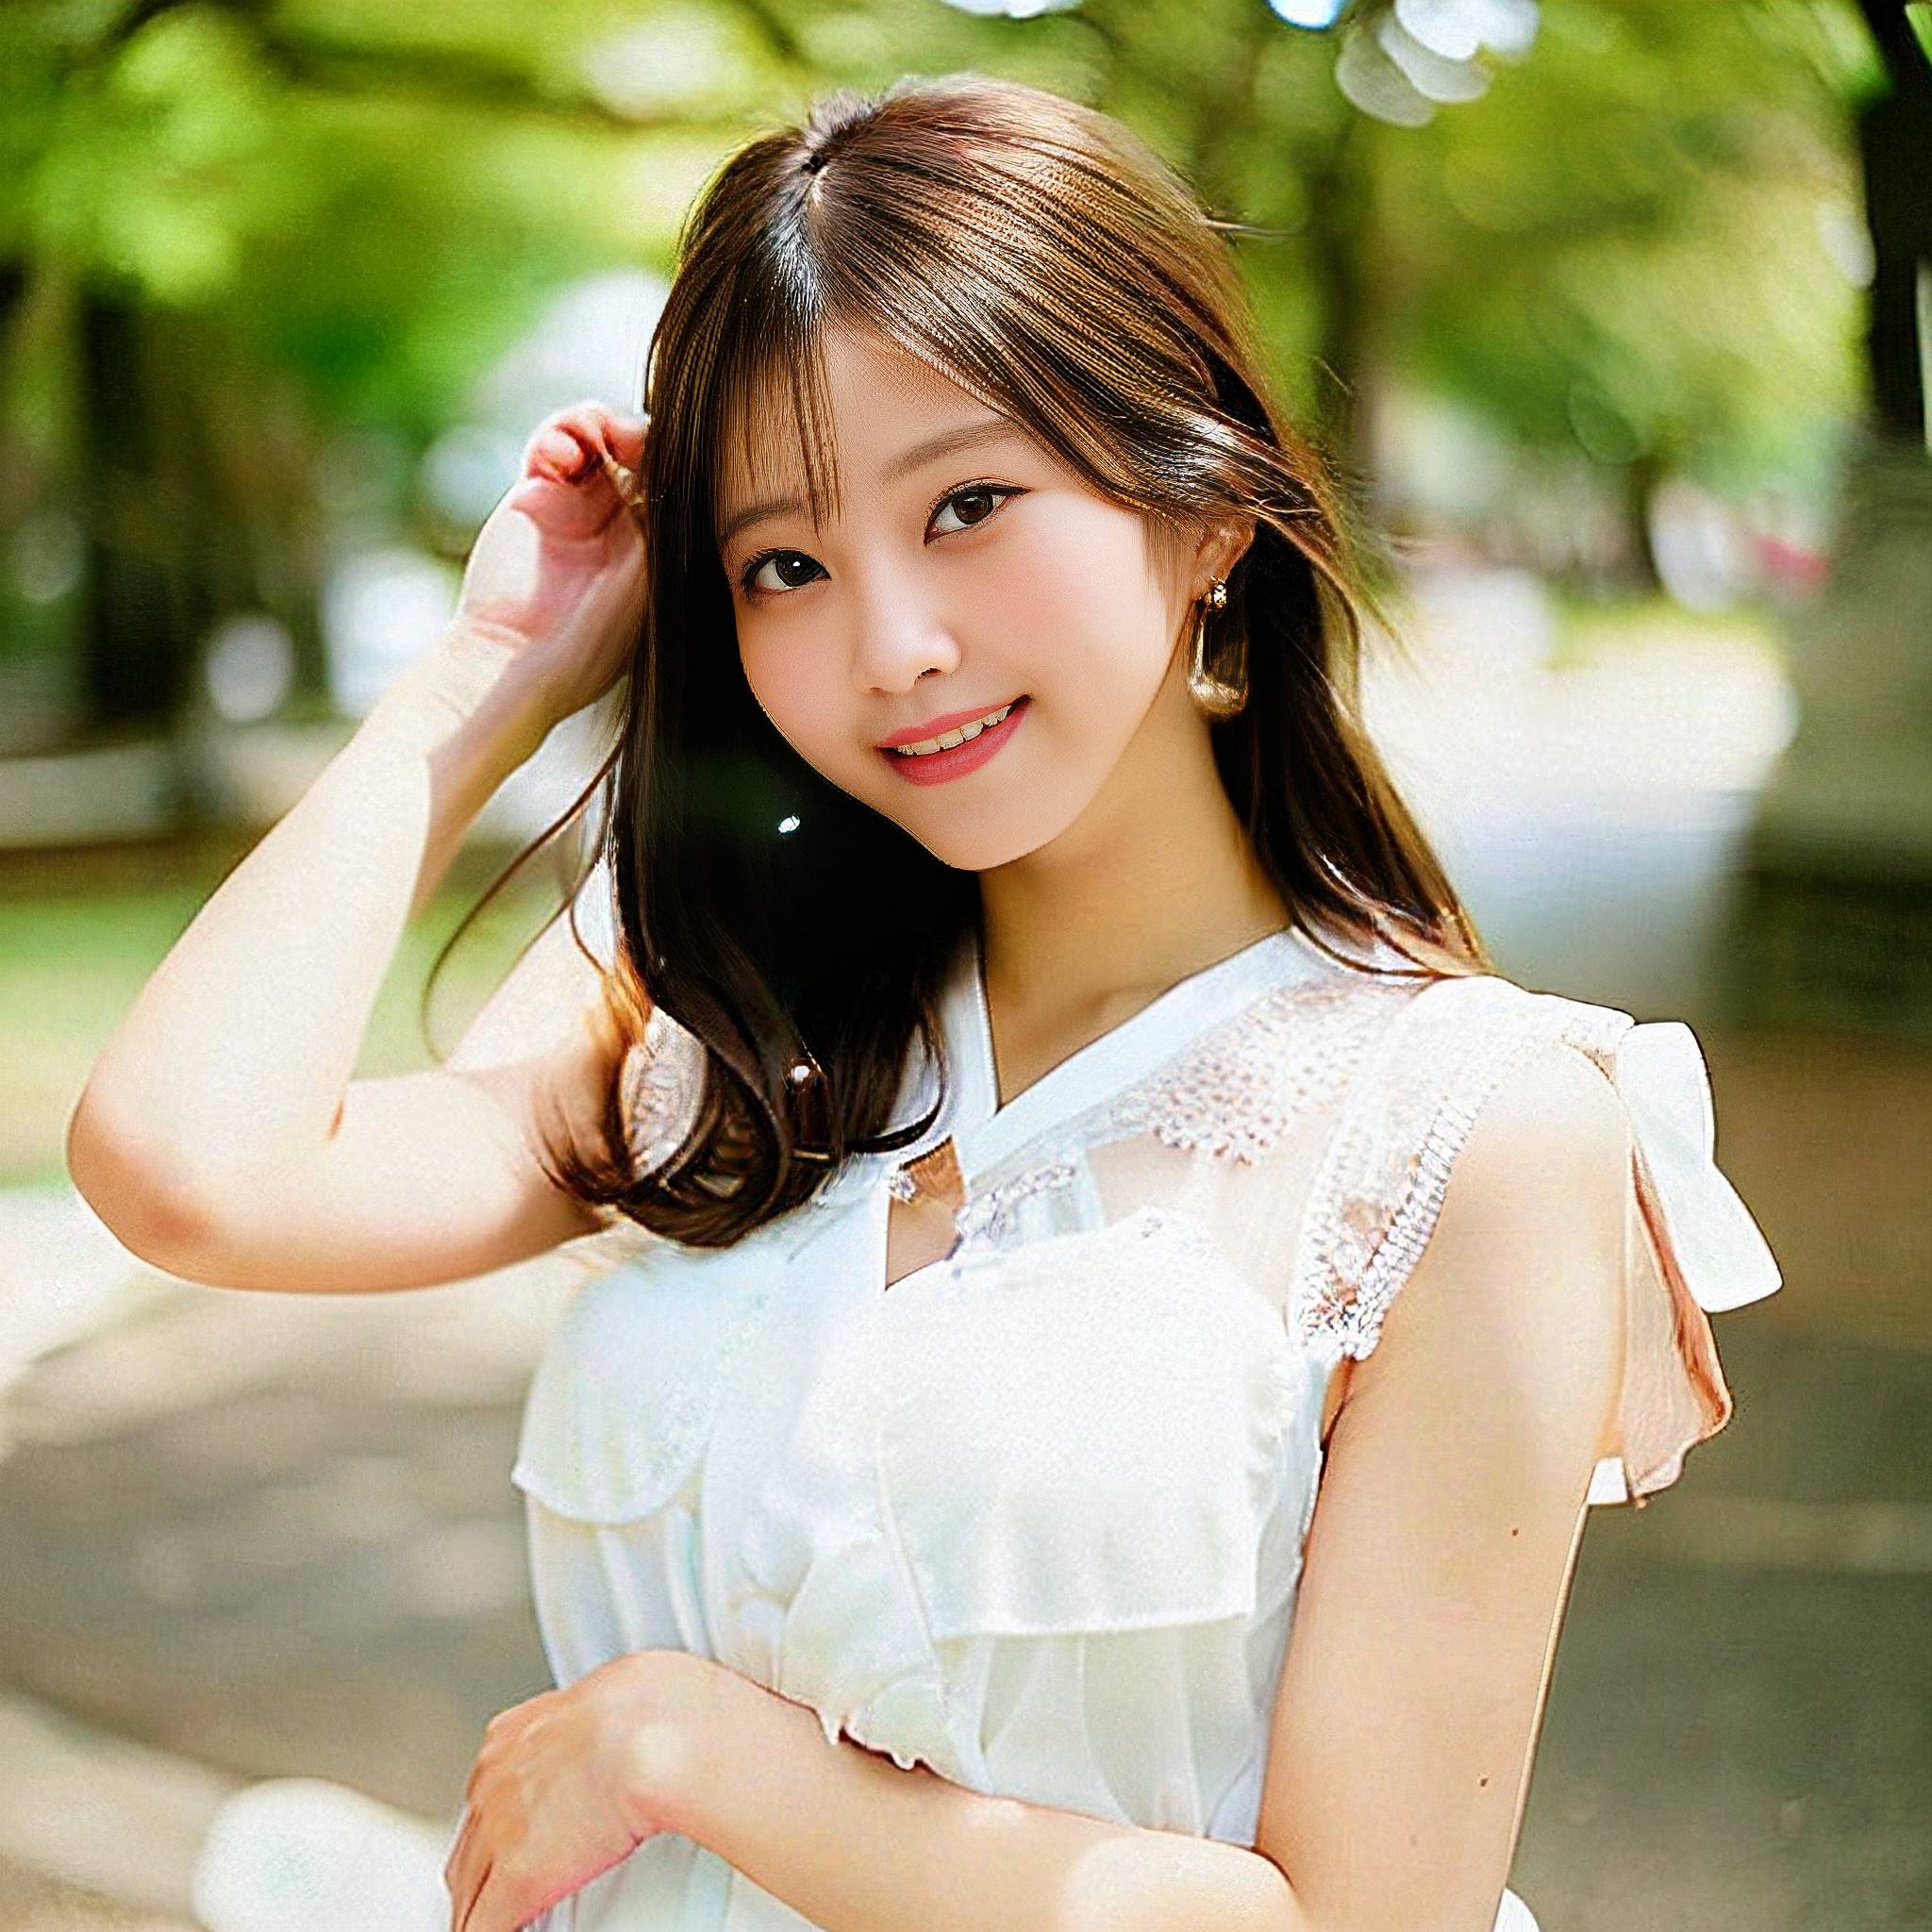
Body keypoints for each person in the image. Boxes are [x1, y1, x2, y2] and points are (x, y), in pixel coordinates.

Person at [69, 71, 1783, 1932]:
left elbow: (1358, 1920)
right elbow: (189, 1168)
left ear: (1201, 505)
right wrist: (491, 669)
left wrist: (692, 1758)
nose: (890, 645)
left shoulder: (1468, 1128)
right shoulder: (704, 1004)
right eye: (783, 563)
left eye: (968, 502)